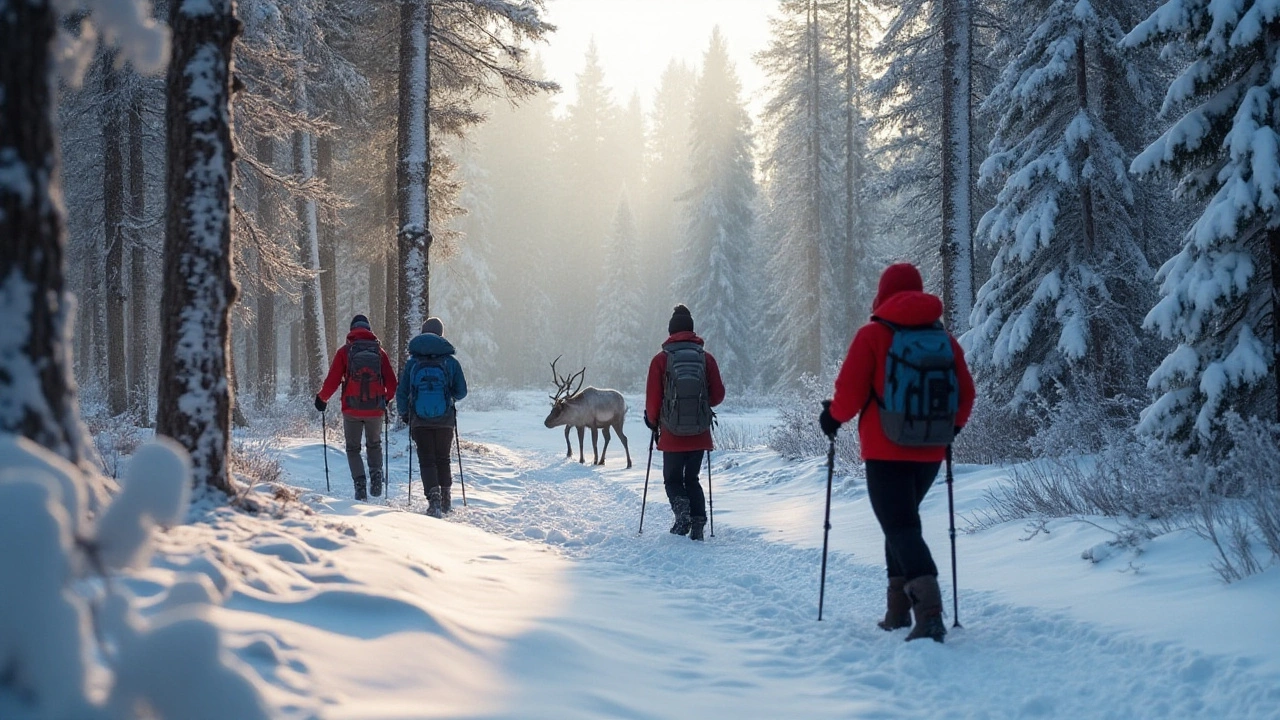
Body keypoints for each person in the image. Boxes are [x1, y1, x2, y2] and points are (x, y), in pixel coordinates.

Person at [819, 263, 975, 642]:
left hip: (885, 449)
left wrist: (832, 418)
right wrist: (948, 430)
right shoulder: (944, 339)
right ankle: (898, 611)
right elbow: (966, 394)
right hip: (930, 451)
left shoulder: (873, 334)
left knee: (900, 526)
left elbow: (850, 393)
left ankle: (930, 612)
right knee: (902, 525)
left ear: (883, 293)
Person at [644, 304, 726, 541]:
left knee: (672, 479)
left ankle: (683, 517)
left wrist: (652, 422)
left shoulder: (660, 360)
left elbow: (653, 400)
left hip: (671, 433)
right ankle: (698, 523)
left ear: (671, 333)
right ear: (692, 331)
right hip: (699, 432)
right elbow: (718, 396)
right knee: (692, 479)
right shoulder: (706, 358)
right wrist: (700, 405)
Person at [316, 314, 398, 501]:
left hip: (351, 409)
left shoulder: (345, 352)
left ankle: (360, 485)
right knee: (374, 444)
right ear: (369, 330)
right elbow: (392, 383)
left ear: (352, 330)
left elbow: (333, 380)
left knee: (353, 449)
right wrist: (384, 400)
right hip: (375, 409)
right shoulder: (380, 352)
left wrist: (322, 399)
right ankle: (376, 475)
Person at [396, 317, 468, 518]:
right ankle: (446, 498)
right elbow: (462, 392)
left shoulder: (412, 363)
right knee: (443, 458)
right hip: (445, 419)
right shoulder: (450, 362)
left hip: (420, 420)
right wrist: (448, 395)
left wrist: (404, 413)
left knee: (426, 459)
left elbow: (402, 392)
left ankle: (433, 500)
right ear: (441, 334)